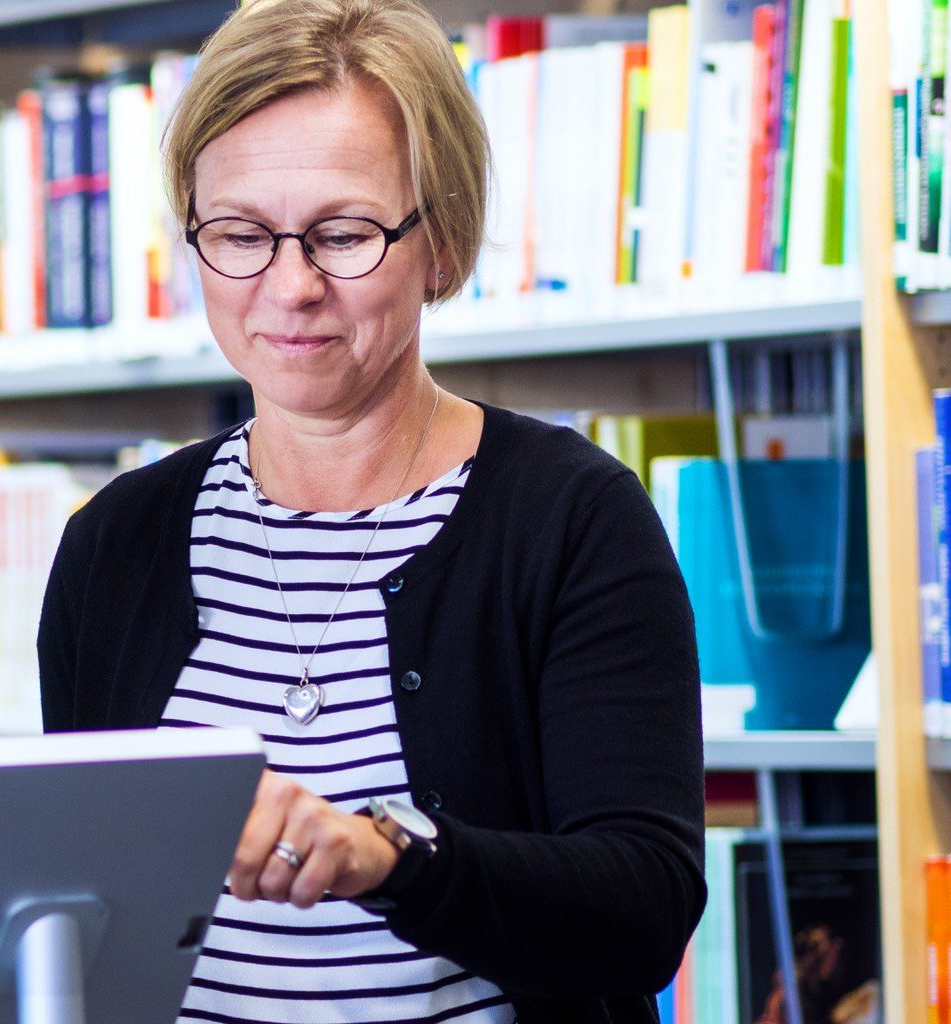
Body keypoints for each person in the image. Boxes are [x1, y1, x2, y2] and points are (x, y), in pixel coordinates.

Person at [36, 0, 705, 1021]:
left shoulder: (569, 517)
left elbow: (640, 909)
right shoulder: (112, 544)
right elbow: (86, 913)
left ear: (438, 242)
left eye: (342, 234)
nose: (289, 285)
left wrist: (390, 856)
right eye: (239, 234)